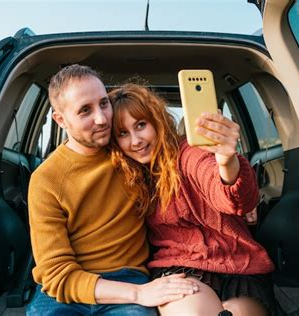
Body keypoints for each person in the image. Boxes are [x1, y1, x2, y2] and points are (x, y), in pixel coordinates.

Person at [26, 65, 199, 315]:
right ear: (61, 120)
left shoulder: (132, 151)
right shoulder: (46, 179)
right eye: (85, 110)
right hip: (66, 292)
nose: (102, 118)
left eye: (104, 103)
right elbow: (56, 275)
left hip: (128, 278)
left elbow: (185, 169)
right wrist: (139, 294)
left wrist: (230, 189)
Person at [109, 83, 277, 316]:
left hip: (238, 264)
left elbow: (229, 194)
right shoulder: (126, 176)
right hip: (181, 269)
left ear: (157, 121)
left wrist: (227, 161)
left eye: (141, 125)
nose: (136, 140)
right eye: (123, 133)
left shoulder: (189, 153)